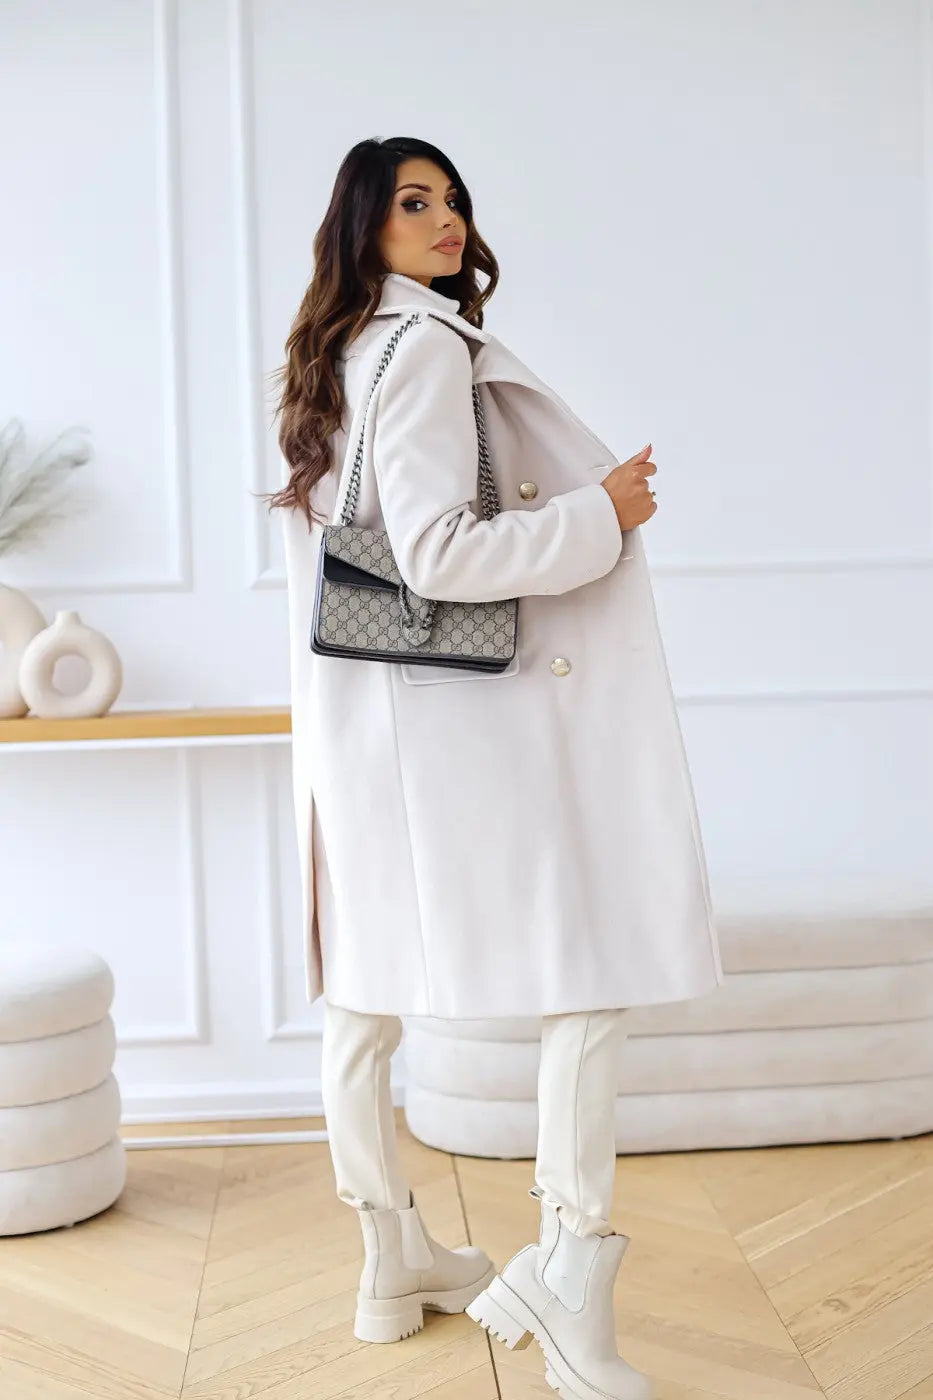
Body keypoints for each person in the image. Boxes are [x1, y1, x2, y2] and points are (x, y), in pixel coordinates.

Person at [267, 135, 724, 1400]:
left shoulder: (337, 353)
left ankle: (391, 1257)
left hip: (368, 730)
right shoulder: (420, 349)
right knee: (590, 964)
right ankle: (570, 1270)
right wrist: (598, 514)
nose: (446, 219)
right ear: (364, 224)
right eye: (413, 201)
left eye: (453, 199)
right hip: (455, 735)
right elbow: (435, 555)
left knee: (362, 995)